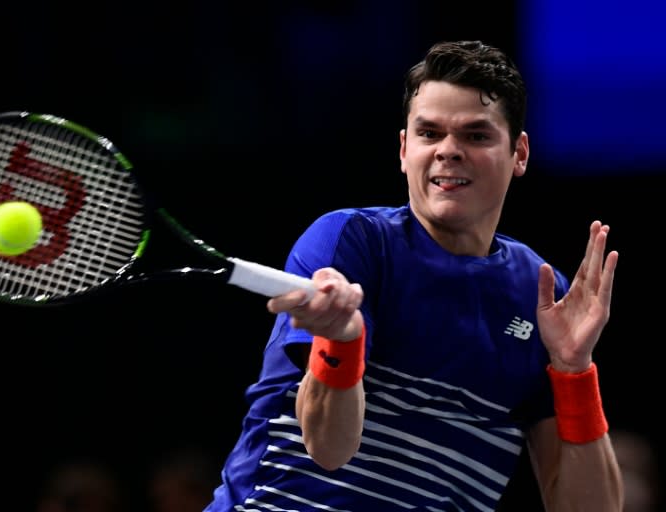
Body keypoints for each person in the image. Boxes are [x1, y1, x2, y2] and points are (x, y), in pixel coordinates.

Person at [204, 40, 623, 511]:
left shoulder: (541, 293)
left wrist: (574, 372)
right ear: (404, 148)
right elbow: (329, 450)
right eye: (429, 133)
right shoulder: (352, 242)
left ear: (519, 153)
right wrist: (343, 341)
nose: (449, 151)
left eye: (476, 136)